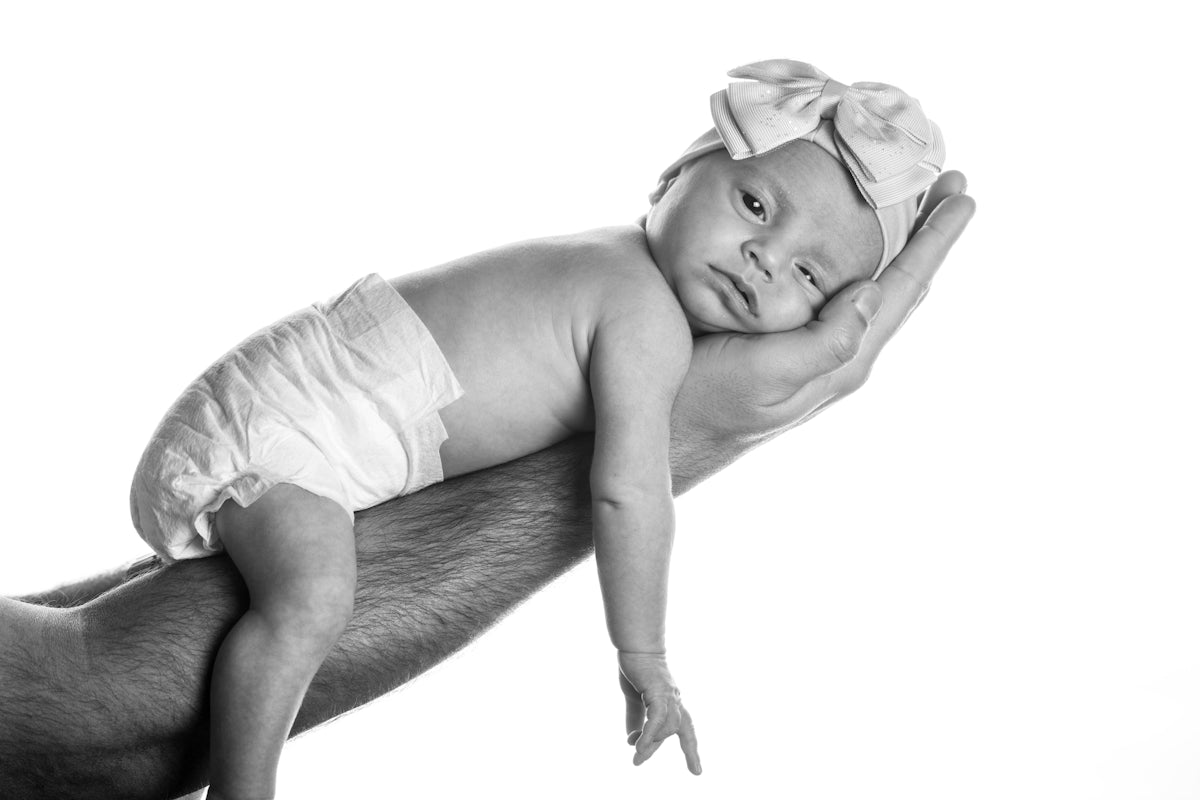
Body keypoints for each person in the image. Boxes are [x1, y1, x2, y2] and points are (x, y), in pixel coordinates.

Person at [0, 96, 974, 800]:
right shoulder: (642, 318)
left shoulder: (611, 263)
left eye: (810, 271)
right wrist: (646, 657)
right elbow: (629, 490)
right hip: (283, 437)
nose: (766, 258)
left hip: (281, 419)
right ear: (678, 172)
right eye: (758, 206)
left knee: (261, 613)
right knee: (314, 600)